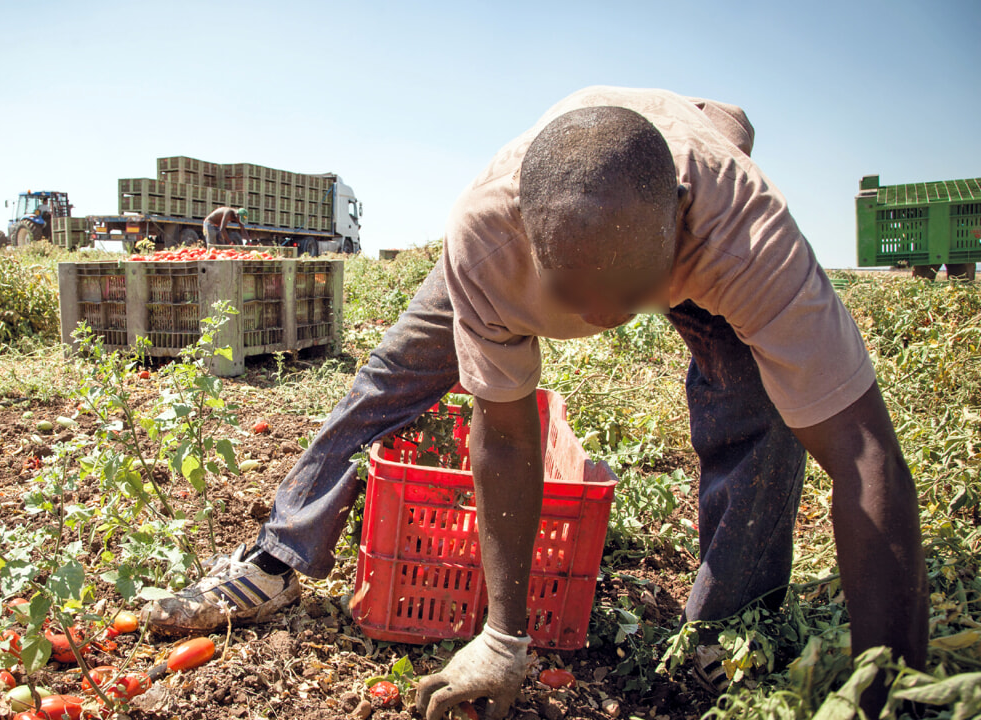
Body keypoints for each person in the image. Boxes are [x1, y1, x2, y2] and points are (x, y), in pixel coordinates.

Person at [143, 87, 927, 719]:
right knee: (395, 373)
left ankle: (725, 632)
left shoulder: (746, 237)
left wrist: (887, 686)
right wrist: (503, 637)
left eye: (631, 296)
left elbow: (866, 458)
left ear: (680, 221)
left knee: (761, 418)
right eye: (575, 299)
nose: (603, 322)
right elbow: (509, 435)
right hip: (557, 226)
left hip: (695, 236)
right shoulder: (487, 233)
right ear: (529, 237)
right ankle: (279, 555)